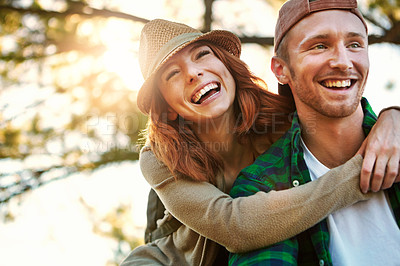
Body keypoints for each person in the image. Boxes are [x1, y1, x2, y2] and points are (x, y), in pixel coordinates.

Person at [121, 19, 400, 265]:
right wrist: (366, 173)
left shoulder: (280, 117)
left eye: (202, 55)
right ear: (165, 103)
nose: (193, 73)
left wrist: (392, 117)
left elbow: (343, 114)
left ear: (225, 64)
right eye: (172, 73)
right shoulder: (158, 156)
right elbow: (234, 226)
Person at [229, 0, 400, 265]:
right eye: (320, 46)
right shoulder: (262, 185)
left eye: (354, 44)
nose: (343, 62)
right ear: (281, 70)